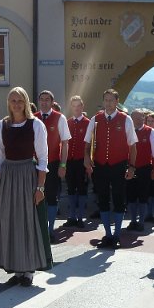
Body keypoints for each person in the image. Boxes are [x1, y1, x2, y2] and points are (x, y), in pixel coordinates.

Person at [0, 87, 52, 286]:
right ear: (8, 103)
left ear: (26, 102)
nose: (16, 104)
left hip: (27, 175)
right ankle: (16, 269)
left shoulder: (36, 125)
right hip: (8, 176)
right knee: (10, 221)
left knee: (28, 221)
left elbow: (43, 159)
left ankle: (28, 271)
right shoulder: (1, 126)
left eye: (20, 100)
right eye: (13, 101)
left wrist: (40, 188)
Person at [84, 89, 136, 248]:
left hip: (119, 165)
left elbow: (133, 145)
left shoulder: (126, 119)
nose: (108, 103)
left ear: (117, 101)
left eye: (111, 100)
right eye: (106, 100)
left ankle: (117, 235)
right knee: (103, 198)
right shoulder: (95, 119)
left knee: (119, 199)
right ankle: (107, 234)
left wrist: (132, 167)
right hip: (100, 165)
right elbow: (87, 142)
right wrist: (86, 158)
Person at [35, 90, 71, 240]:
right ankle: (38, 230)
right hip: (35, 164)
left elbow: (65, 143)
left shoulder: (59, 118)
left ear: (52, 102)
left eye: (47, 100)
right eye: (42, 99)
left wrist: (63, 164)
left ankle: (50, 230)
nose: (44, 102)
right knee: (35, 197)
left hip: (53, 163)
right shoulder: (33, 118)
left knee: (51, 197)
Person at [126, 109, 154, 231]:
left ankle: (141, 222)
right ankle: (133, 221)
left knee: (143, 196)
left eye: (140, 117)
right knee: (131, 196)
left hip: (144, 168)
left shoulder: (150, 131)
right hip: (129, 168)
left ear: (144, 118)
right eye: (135, 118)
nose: (137, 120)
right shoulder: (127, 131)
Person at [65, 95, 90, 227]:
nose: (76, 108)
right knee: (70, 188)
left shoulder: (88, 123)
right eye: (74, 106)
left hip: (82, 161)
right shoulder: (67, 122)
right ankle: (72, 216)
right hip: (69, 160)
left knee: (82, 188)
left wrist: (89, 162)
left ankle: (80, 217)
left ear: (82, 106)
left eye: (78, 105)